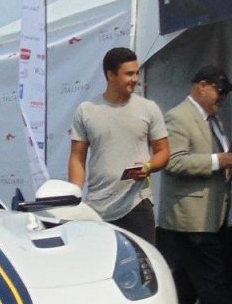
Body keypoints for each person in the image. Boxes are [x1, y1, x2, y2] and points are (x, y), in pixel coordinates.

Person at [157, 66, 232, 304]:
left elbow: (216, 162)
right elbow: (173, 162)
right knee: (210, 277)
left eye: (226, 92)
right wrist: (217, 161)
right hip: (190, 216)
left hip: (211, 213)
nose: (223, 97)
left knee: (189, 280)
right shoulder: (178, 117)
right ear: (201, 86)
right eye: (220, 90)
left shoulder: (213, 119)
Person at [68, 47, 169, 244]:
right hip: (97, 206)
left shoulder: (149, 108)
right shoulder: (86, 110)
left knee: (144, 268)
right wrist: (74, 195)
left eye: (137, 73)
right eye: (129, 74)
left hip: (137, 203)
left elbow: (164, 152)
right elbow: (77, 157)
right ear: (111, 75)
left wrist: (148, 167)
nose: (135, 79)